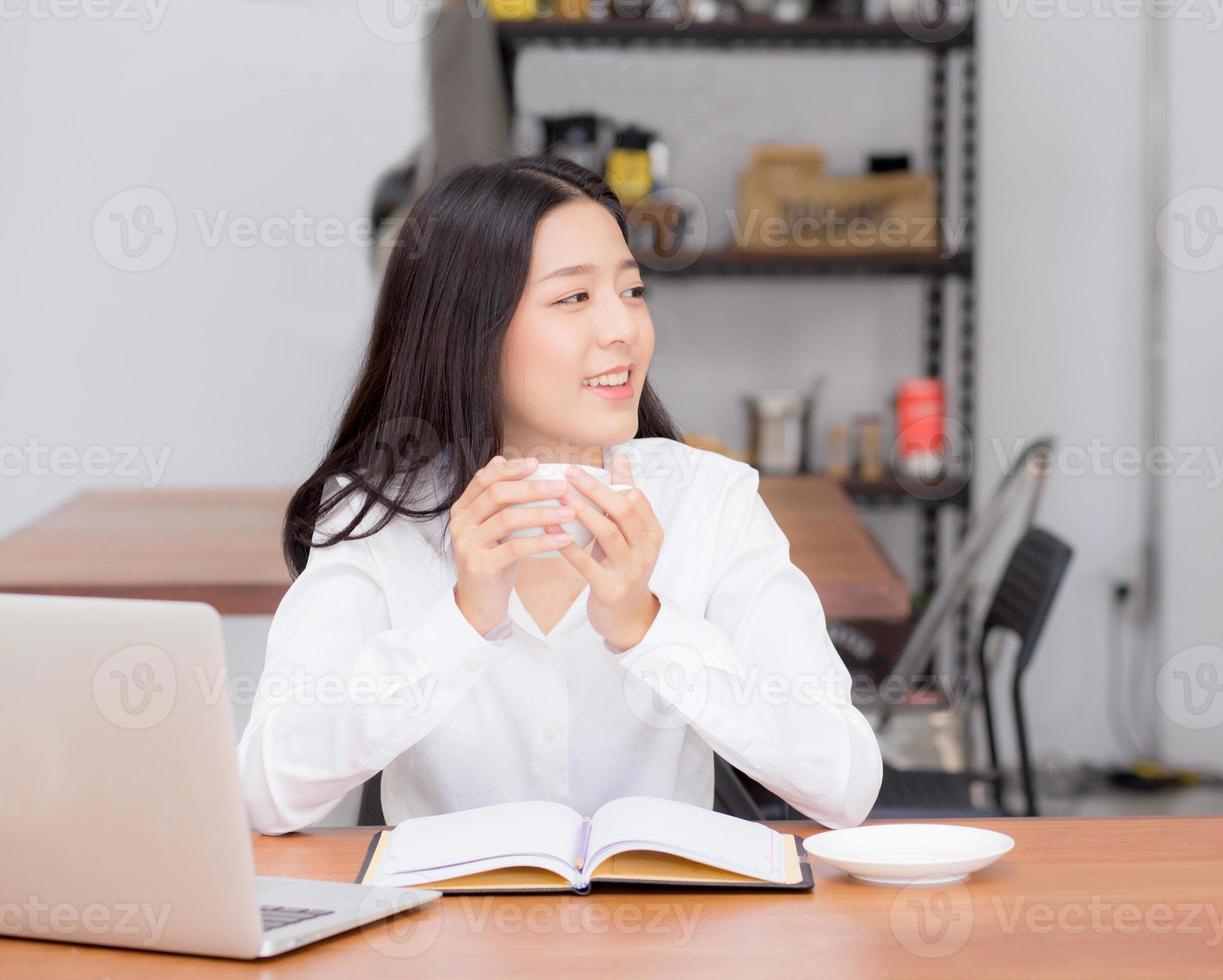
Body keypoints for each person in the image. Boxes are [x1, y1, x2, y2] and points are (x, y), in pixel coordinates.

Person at [237, 156, 882, 834]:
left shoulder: (711, 503)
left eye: (632, 292)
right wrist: (461, 623)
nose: (624, 330)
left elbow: (844, 783)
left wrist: (648, 626)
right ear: (468, 332)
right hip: (445, 937)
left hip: (666, 932)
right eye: (573, 298)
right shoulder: (379, 519)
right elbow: (267, 791)